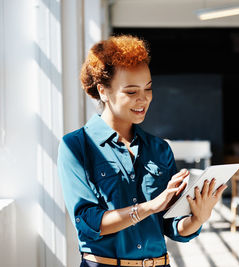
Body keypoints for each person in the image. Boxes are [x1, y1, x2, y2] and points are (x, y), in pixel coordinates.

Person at [57, 34, 227, 267]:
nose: (143, 99)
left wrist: (199, 217)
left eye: (147, 89)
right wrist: (150, 206)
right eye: (131, 92)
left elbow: (172, 226)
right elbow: (89, 222)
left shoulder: (159, 149)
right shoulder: (76, 147)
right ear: (103, 91)